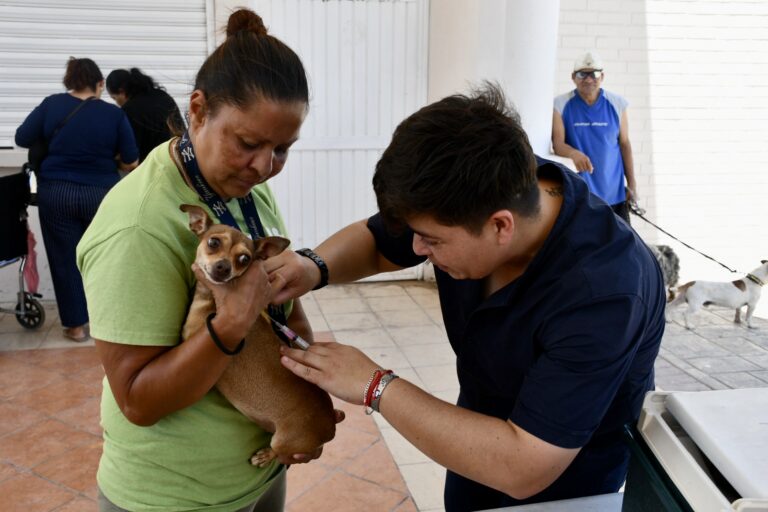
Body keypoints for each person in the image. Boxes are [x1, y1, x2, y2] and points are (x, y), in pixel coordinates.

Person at [270, 83, 666, 511]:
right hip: (473, 430)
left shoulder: (604, 292)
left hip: (563, 482)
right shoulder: (484, 182)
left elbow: (524, 466)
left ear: (501, 227)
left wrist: (374, 385)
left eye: (431, 241)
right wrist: (310, 267)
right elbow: (380, 240)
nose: (417, 251)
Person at [76, 9, 336, 512]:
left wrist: (309, 390)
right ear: (198, 109)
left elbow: (281, 304)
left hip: (257, 475)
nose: (265, 166)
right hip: (175, 495)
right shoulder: (138, 224)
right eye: (248, 143)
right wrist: (230, 324)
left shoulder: (244, 190)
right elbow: (137, 400)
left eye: (282, 148)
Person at [15, 57, 139, 342]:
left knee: (64, 258)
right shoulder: (113, 114)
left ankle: (75, 326)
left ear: (69, 82)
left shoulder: (51, 104)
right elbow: (132, 159)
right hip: (101, 194)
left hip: (56, 193)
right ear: (99, 84)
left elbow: (22, 137)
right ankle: (107, 322)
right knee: (104, 257)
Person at [552, 50, 637, 224]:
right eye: (582, 74)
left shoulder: (617, 104)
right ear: (573, 77)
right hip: (581, 196)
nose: (589, 79)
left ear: (602, 76)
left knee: (620, 248)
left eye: (594, 74)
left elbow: (625, 145)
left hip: (614, 195)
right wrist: (574, 154)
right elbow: (558, 144)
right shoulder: (560, 105)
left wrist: (633, 185)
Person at [106, 67, 184, 162]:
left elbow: (131, 154)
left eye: (114, 98)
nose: (117, 103)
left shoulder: (130, 110)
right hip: (179, 157)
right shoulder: (162, 95)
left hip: (154, 165)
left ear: (121, 91)